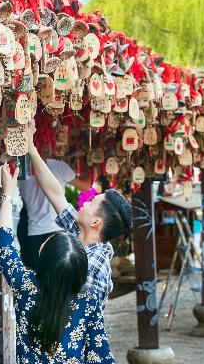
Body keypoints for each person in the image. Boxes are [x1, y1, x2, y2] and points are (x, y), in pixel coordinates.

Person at [0, 162, 115, 364]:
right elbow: (102, 361)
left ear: (43, 261)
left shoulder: (26, 287)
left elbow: (4, 244)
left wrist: (7, 194)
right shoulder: (88, 303)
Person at [26, 125, 132, 306]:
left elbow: (77, 312)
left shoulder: (93, 263)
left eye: (91, 203)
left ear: (96, 222)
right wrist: (31, 148)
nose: (84, 203)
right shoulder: (79, 232)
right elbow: (55, 194)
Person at [17, 155, 79, 270]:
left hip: (34, 231)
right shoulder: (59, 166)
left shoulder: (21, 169)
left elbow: (21, 196)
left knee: (35, 275)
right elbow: (85, 185)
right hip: (55, 231)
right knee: (56, 273)